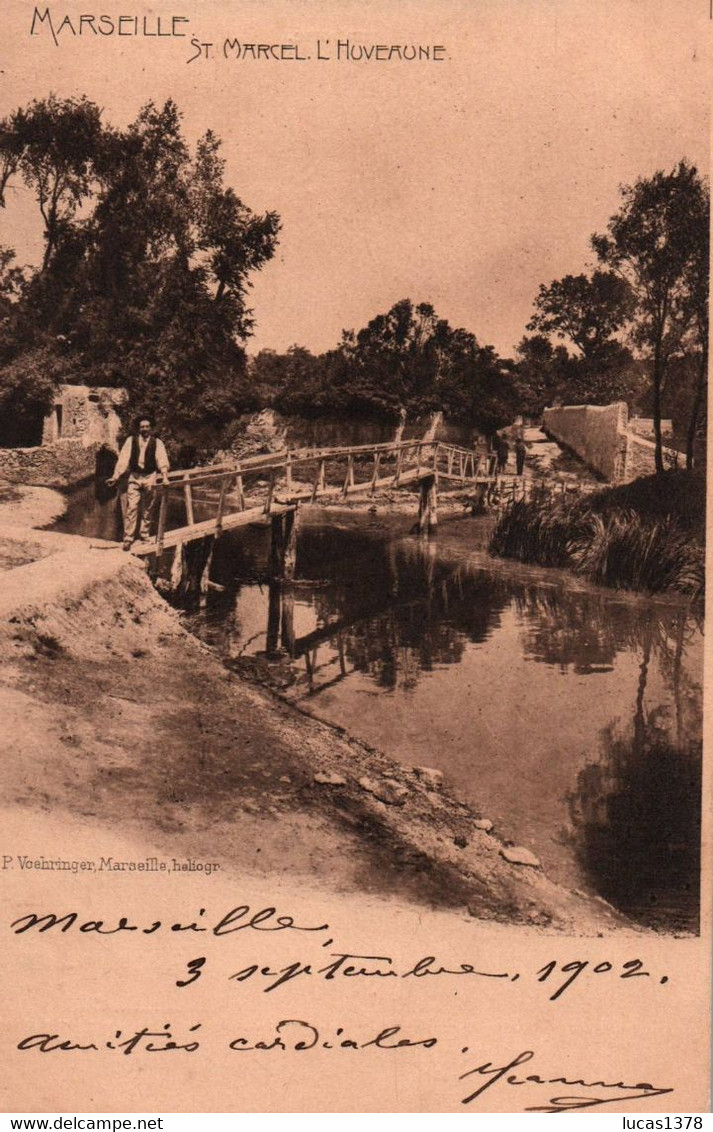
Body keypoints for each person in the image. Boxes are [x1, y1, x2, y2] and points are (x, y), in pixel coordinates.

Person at [107, 416, 170, 550]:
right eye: (142, 427)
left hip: (150, 477)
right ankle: (128, 538)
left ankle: (144, 535)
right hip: (135, 477)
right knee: (132, 508)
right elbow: (123, 459)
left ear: (150, 428)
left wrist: (164, 477)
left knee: (148, 509)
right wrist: (115, 476)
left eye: (147, 426)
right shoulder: (131, 441)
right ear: (138, 428)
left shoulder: (157, 442)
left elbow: (162, 460)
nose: (145, 429)